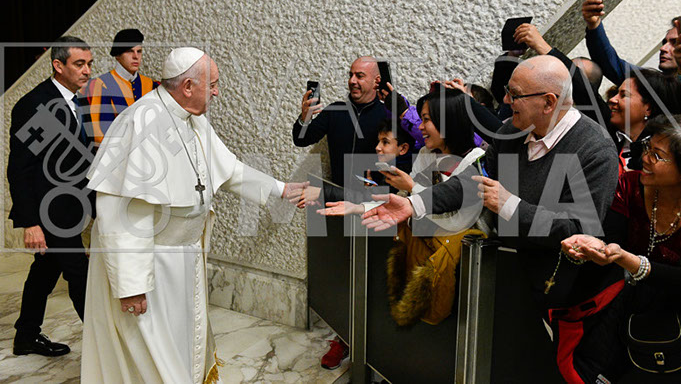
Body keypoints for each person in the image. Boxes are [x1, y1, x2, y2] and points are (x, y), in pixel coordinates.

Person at [362, 56, 622, 382]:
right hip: (503, 275)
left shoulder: (595, 148)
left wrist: (510, 205)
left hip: (555, 296)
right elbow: (470, 183)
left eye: (515, 94)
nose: (506, 102)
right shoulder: (511, 131)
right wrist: (414, 204)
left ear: (548, 102)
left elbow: (580, 230)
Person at [80, 48, 305, 383]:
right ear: (187, 86)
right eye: (211, 84)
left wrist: (282, 189)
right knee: (150, 356)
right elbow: (121, 213)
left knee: (181, 346)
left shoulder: (191, 119)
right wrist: (131, 285)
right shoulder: (140, 122)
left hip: (184, 259)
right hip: (149, 266)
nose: (217, 92)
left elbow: (230, 170)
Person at [320, 88, 486, 326]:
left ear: (447, 121)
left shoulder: (476, 161)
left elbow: (455, 220)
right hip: (422, 254)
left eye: (426, 120)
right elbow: (402, 202)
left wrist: (412, 187)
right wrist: (361, 207)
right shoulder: (426, 154)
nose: (420, 127)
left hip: (466, 272)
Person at [561, 114, 681, 381]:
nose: (645, 158)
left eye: (657, 156)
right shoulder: (629, 185)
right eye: (647, 147)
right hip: (627, 310)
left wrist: (630, 261)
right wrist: (595, 248)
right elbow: (611, 240)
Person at [8, 36, 95, 356]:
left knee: (44, 273)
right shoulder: (36, 105)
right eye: (79, 64)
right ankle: (104, 348)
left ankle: (26, 337)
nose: (87, 71)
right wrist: (31, 223)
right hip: (50, 213)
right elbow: (20, 169)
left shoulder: (74, 101)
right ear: (58, 65)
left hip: (69, 208)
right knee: (80, 274)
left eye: (89, 64)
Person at [513, 22, 681, 173]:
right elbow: (584, 91)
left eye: (624, 95)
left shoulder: (659, 155)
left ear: (648, 107)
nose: (612, 100)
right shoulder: (611, 133)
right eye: (616, 93)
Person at [582, 0, 681, 96]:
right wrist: (594, 23)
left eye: (675, 43)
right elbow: (609, 62)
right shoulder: (653, 82)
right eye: (664, 42)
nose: (663, 48)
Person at [292, 56, 386, 186]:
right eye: (350, 75)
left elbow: (401, 159)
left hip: (374, 195)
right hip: (339, 192)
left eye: (359, 76)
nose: (352, 81)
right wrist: (304, 118)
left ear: (376, 81)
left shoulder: (387, 115)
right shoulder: (335, 111)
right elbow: (301, 140)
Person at [82, 28, 159, 147]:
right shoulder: (101, 85)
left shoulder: (151, 85)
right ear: (118, 55)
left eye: (139, 51)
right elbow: (99, 134)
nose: (136, 56)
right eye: (129, 51)